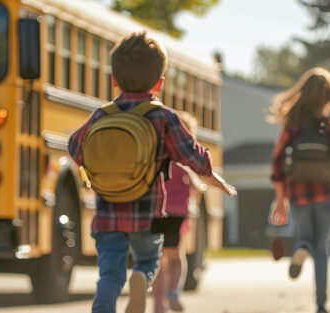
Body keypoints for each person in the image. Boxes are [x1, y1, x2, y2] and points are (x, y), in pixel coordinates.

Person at [68, 31, 236, 313]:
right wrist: (221, 183)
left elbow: (75, 149)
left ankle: (103, 309)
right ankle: (139, 278)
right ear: (159, 82)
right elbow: (194, 158)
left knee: (109, 274)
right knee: (148, 260)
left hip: (107, 214)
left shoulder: (101, 114)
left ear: (113, 79)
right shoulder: (164, 117)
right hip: (148, 215)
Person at [268, 67, 330, 313]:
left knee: (305, 237)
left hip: (297, 192)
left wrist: (280, 200)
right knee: (322, 248)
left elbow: (277, 162)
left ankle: (300, 249)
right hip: (326, 191)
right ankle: (321, 304)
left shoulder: (293, 122)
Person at [152, 111, 200, 313]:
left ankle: (157, 307)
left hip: (156, 213)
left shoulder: (158, 157)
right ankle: (173, 292)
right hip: (178, 214)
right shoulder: (184, 161)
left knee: (159, 262)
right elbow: (197, 186)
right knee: (177, 257)